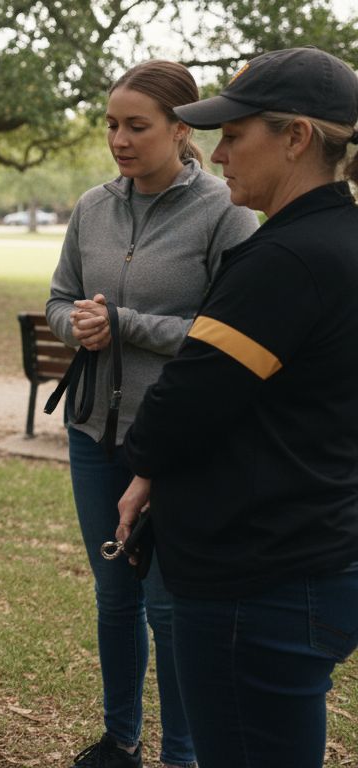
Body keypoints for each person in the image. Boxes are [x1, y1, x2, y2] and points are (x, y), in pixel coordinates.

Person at [117, 47, 358, 768]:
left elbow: (190, 396)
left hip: (258, 581)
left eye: (235, 133)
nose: (217, 153)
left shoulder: (287, 260)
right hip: (309, 555)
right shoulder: (337, 240)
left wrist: (141, 464)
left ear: (297, 138)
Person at [46, 60, 258, 768]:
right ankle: (120, 739)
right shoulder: (92, 206)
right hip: (89, 434)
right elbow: (59, 301)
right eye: (111, 124)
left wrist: (127, 324)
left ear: (182, 128)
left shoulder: (227, 213)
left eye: (136, 126)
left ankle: (182, 752)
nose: (119, 140)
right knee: (114, 601)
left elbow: (228, 332)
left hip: (172, 442)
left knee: (169, 610)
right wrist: (78, 325)